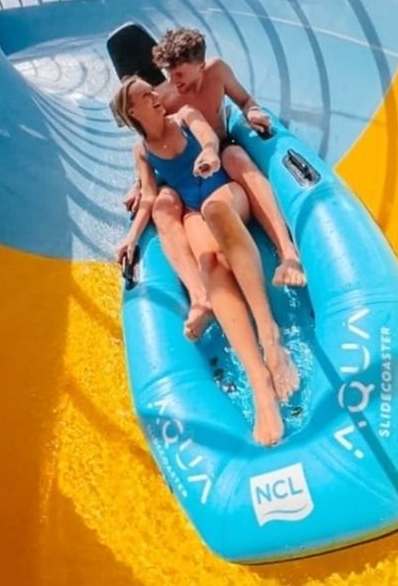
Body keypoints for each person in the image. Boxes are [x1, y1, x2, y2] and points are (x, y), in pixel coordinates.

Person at [110, 75, 298, 447]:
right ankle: (259, 381)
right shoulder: (142, 149)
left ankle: (270, 336)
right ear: (133, 110)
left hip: (225, 191)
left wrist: (210, 153)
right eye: (145, 95)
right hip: (193, 208)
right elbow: (149, 196)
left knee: (215, 209)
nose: (156, 94)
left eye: (152, 89)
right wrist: (130, 238)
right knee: (209, 263)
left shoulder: (185, 116)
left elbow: (209, 138)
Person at [125, 27, 306, 289]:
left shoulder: (218, 72)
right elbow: (154, 141)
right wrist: (138, 183)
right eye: (168, 74)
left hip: (220, 150)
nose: (174, 81)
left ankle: (288, 254)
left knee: (234, 155)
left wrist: (252, 111)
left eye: (179, 73)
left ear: (200, 65)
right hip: (192, 171)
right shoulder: (165, 97)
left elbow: (244, 100)